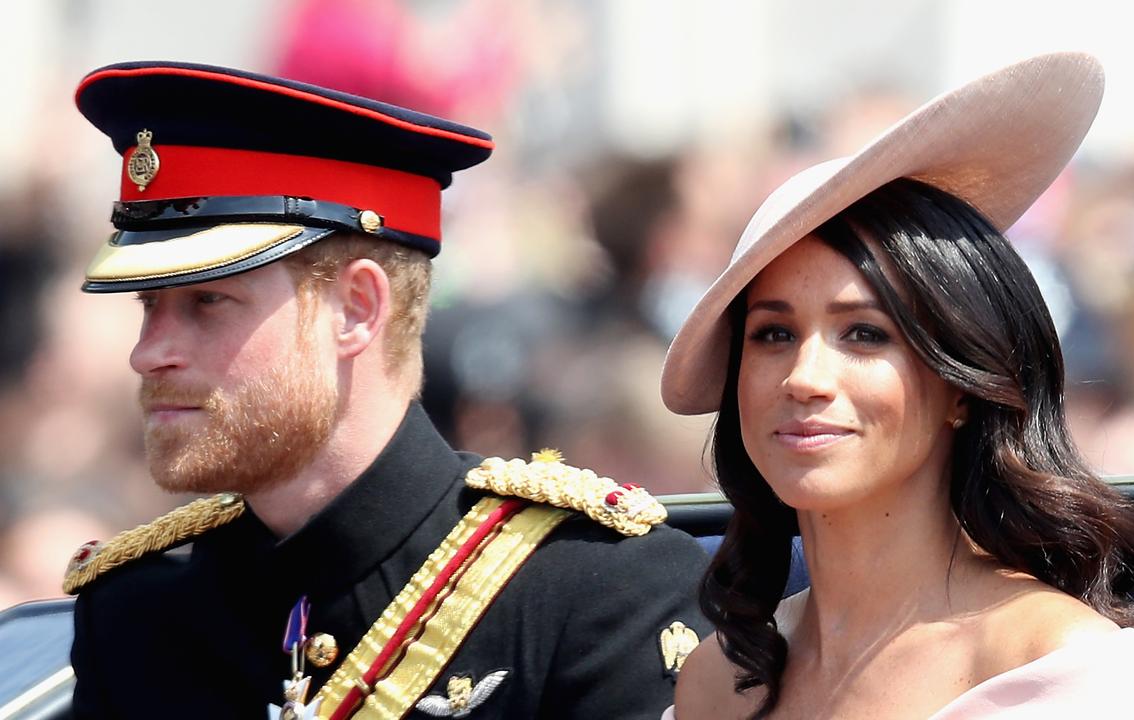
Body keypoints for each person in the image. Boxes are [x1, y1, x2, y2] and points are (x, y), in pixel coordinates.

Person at [63, 61, 710, 719]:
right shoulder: (135, 615)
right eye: (149, 306)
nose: (148, 353)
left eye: (207, 301)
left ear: (357, 310)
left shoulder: (595, 591)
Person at [659, 53, 1134, 719]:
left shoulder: (1050, 661)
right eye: (772, 335)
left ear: (962, 385)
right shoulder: (719, 679)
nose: (804, 378)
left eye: (864, 335)